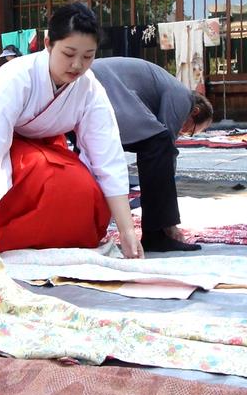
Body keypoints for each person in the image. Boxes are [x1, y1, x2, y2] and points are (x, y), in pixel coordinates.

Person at [0, 3, 142, 258]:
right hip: (6, 145)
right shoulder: (15, 78)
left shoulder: (89, 89)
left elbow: (107, 156)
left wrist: (127, 232)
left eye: (88, 57)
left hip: (47, 146)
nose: (77, 65)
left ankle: (54, 240)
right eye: (69, 53)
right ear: (48, 43)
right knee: (50, 181)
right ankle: (2, 234)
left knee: (86, 193)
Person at [90, 57, 213, 253]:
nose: (184, 133)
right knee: (159, 144)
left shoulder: (169, 86)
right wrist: (169, 222)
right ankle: (157, 234)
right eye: (191, 130)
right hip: (105, 88)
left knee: (151, 145)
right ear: (195, 111)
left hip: (98, 84)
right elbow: (165, 148)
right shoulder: (182, 97)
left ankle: (86, 225)